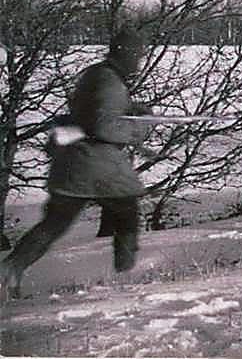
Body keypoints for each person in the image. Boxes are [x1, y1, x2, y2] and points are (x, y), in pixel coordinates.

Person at [0, 26, 150, 301]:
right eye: (137, 55)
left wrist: (129, 111)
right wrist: (140, 126)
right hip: (95, 164)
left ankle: (9, 271)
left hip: (73, 164)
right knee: (127, 211)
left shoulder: (97, 74)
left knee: (55, 223)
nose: (138, 62)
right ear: (126, 53)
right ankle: (127, 277)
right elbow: (104, 127)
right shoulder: (110, 82)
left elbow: (92, 114)